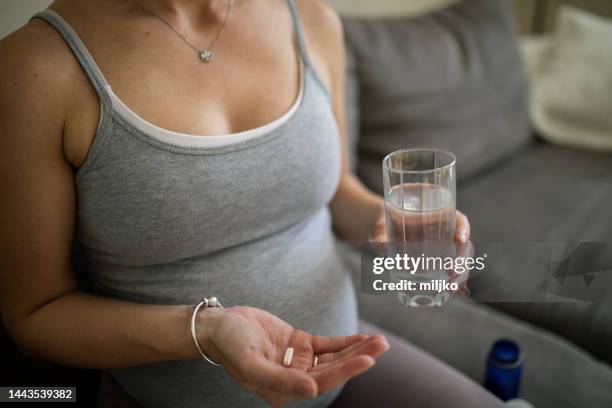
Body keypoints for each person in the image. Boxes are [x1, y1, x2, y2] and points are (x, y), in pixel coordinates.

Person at [0, 0, 502, 407]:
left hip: (348, 354)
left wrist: (391, 223)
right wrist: (206, 329)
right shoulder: (34, 69)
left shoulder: (311, 19)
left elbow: (337, 190)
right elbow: (35, 315)